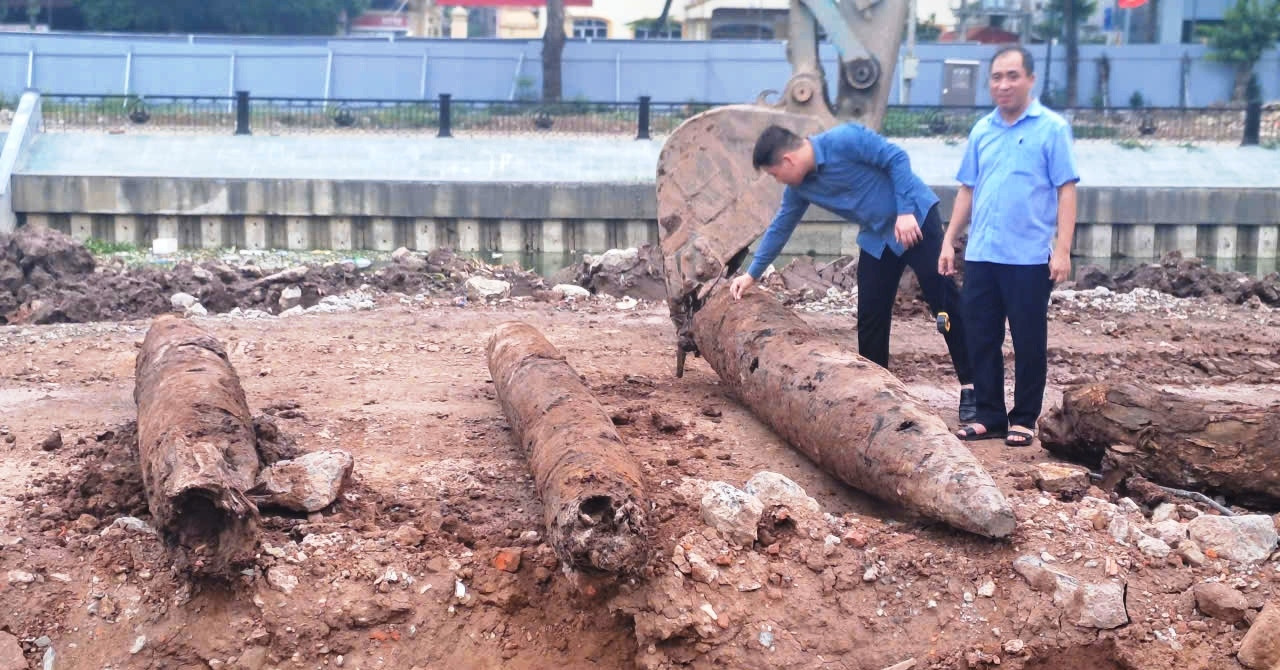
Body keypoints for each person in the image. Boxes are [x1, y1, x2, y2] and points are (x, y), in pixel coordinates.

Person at [731, 121, 977, 423]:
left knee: (944, 303)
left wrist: (904, 211)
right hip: (877, 235)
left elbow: (896, 158)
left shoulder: (844, 139)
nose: (779, 181)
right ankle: (879, 394)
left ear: (787, 160)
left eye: (774, 175)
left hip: (914, 218)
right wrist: (752, 274)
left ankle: (971, 386)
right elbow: (782, 225)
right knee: (870, 314)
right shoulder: (799, 189)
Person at [939, 44, 1080, 447]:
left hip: (1029, 256)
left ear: (1030, 80)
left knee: (1028, 340)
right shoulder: (982, 130)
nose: (1004, 84)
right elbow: (967, 188)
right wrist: (950, 241)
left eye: (1012, 76)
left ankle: (1023, 417)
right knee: (980, 336)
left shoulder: (1052, 129)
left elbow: (1066, 189)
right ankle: (989, 415)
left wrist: (1063, 248)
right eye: (997, 77)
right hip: (983, 253)